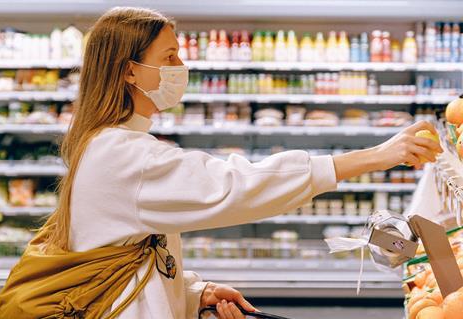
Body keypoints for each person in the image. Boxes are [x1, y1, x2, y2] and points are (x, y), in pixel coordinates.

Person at [39, 7, 442, 319]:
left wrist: (194, 293)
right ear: (130, 70)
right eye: (170, 56)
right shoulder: (122, 154)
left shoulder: (112, 142)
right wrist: (376, 156)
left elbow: (133, 252)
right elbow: (235, 183)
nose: (181, 68)